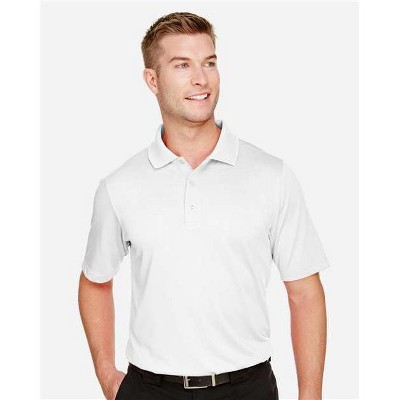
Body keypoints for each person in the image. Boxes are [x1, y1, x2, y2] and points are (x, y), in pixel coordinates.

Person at [78, 11, 330, 400]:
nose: (201, 78)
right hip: (150, 389)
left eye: (209, 63)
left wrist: (310, 397)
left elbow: (305, 293)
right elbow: (95, 280)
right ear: (152, 80)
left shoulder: (271, 175)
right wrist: (107, 375)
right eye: (182, 65)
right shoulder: (120, 186)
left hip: (247, 389)